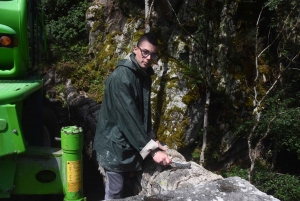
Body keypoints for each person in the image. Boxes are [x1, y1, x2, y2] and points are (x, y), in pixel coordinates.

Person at [93, 32, 172, 199]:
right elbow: (129, 119)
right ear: (136, 49)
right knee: (115, 191)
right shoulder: (122, 77)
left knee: (127, 189)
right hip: (114, 146)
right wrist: (153, 151)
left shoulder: (143, 75)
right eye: (145, 52)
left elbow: (143, 112)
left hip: (126, 145)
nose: (149, 57)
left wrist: (151, 136)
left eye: (153, 54)